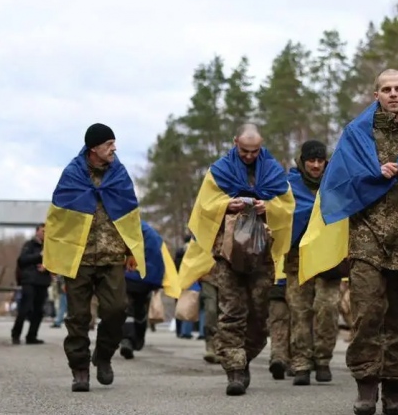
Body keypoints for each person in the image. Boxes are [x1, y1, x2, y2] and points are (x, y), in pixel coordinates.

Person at [299, 69, 398, 415]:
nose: (392, 94)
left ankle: (395, 392)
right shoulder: (357, 133)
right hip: (366, 238)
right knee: (367, 314)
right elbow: (338, 182)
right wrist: (374, 173)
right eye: (386, 89)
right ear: (376, 95)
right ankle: (366, 387)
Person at [177, 123, 295, 396]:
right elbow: (204, 205)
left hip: (262, 255)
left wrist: (270, 207)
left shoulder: (274, 170)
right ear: (235, 143)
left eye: (255, 151)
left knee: (258, 314)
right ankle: (234, 371)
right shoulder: (219, 171)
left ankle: (244, 357)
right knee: (231, 312)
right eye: (244, 151)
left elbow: (287, 206)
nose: (250, 156)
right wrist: (225, 205)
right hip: (228, 253)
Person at [43, 123, 145, 392]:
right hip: (79, 258)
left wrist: (132, 249)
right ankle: (79, 369)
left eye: (114, 143)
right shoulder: (72, 175)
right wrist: (54, 255)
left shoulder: (119, 175)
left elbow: (130, 214)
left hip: (112, 256)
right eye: (108, 144)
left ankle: (103, 357)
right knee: (77, 317)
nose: (114, 148)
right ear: (93, 149)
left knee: (116, 310)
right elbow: (58, 218)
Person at [283, 140, 342, 386]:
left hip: (328, 256)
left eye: (320, 161)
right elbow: (281, 213)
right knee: (299, 310)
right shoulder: (288, 185)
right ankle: (300, 362)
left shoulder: (336, 181)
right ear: (302, 160)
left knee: (328, 308)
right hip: (297, 257)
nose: (316, 165)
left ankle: (323, 359)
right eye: (311, 160)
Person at [120, 220, 179, 359]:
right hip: (145, 278)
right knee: (139, 309)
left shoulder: (123, 227)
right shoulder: (150, 232)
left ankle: (127, 339)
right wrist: (157, 281)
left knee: (127, 307)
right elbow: (158, 257)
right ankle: (137, 339)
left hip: (128, 275)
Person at [11, 223, 51, 345]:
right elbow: (22, 260)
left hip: (43, 281)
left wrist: (46, 267)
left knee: (39, 310)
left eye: (47, 231)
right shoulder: (29, 245)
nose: (45, 233)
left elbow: (57, 264)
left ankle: (32, 336)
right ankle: (16, 334)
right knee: (25, 308)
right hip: (29, 281)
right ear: (37, 232)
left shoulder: (50, 247)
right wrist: (39, 256)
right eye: (43, 231)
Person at [267, 263, 290, 378]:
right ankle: (284, 359)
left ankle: (278, 357)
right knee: (297, 322)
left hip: (276, 279)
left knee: (278, 323)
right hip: (293, 278)